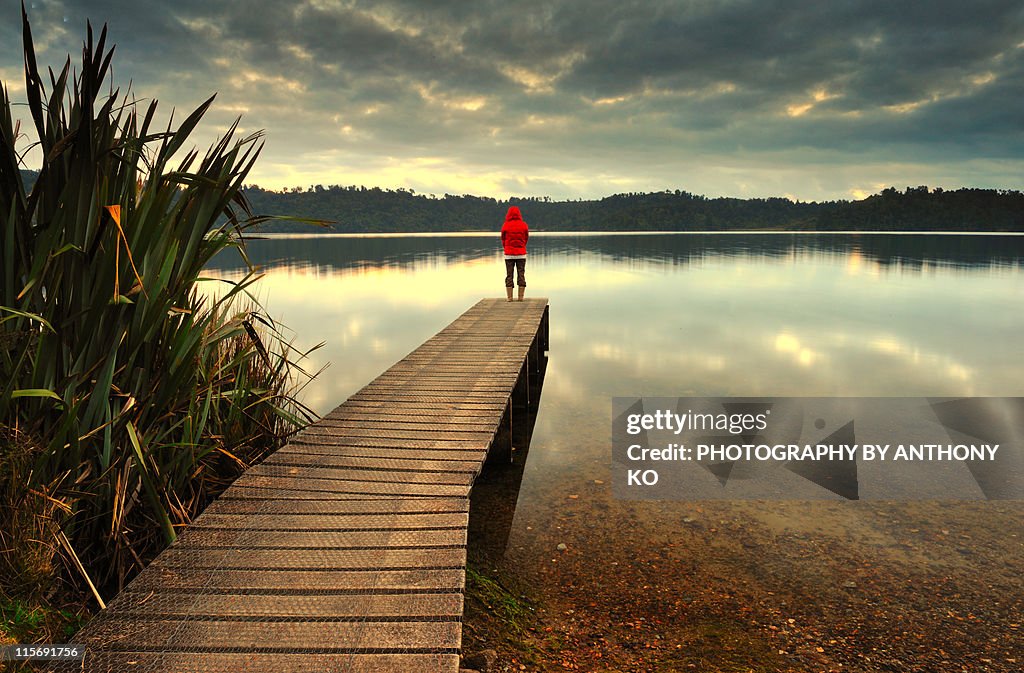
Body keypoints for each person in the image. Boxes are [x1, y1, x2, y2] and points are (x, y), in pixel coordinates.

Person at [500, 206, 529, 301]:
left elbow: (503, 239)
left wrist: (506, 248)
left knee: (509, 274)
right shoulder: (524, 225)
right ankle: (520, 297)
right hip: (521, 254)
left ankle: (510, 298)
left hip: (509, 254)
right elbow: (526, 238)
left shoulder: (505, 225)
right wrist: (522, 247)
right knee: (521, 274)